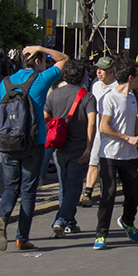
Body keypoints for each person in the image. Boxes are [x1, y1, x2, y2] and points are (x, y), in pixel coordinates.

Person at [0, 44, 69, 251]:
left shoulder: (6, 82)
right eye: (44, 60)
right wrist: (41, 47)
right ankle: (21, 238)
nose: (46, 64)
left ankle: (2, 216)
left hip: (7, 143)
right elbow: (64, 59)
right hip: (33, 142)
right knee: (28, 191)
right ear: (36, 61)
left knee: (10, 186)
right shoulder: (40, 79)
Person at [93, 61, 138, 249]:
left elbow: (133, 122)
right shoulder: (109, 98)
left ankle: (127, 221)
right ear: (131, 78)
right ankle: (101, 234)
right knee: (108, 194)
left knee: (133, 193)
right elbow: (103, 127)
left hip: (129, 156)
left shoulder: (132, 97)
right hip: (109, 155)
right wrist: (127, 138)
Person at [44, 58, 95, 237]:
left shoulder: (54, 94)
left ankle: (70, 222)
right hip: (79, 147)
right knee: (74, 186)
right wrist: (89, 148)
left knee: (64, 185)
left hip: (59, 146)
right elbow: (92, 123)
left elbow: (45, 117)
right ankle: (61, 219)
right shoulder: (87, 96)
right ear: (83, 77)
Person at [79, 56, 117, 208]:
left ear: (111, 71)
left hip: (113, 130)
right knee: (93, 160)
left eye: (102, 70)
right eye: (97, 69)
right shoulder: (95, 85)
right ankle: (87, 191)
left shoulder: (118, 86)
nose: (99, 72)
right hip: (97, 129)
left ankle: (107, 193)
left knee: (110, 164)